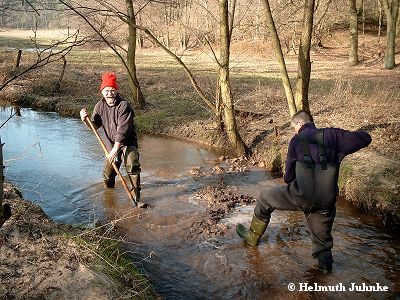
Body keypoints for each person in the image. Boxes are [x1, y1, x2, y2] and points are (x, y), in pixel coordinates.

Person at [236, 110, 372, 272]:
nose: (294, 130)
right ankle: (324, 270)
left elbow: (288, 177)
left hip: (300, 196)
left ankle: (252, 237)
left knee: (265, 197)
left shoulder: (296, 141)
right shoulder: (334, 136)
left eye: (293, 127)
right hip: (326, 201)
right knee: (322, 242)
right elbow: (365, 138)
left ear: (300, 124)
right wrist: (351, 134)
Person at [80, 72, 144, 207]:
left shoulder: (124, 106)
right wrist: (85, 120)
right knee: (108, 176)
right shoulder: (99, 106)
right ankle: (109, 195)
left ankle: (137, 199)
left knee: (132, 166)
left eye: (112, 90)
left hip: (127, 143)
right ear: (102, 92)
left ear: (116, 91)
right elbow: (94, 126)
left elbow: (123, 129)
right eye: (106, 91)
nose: (109, 93)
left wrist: (116, 148)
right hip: (110, 146)